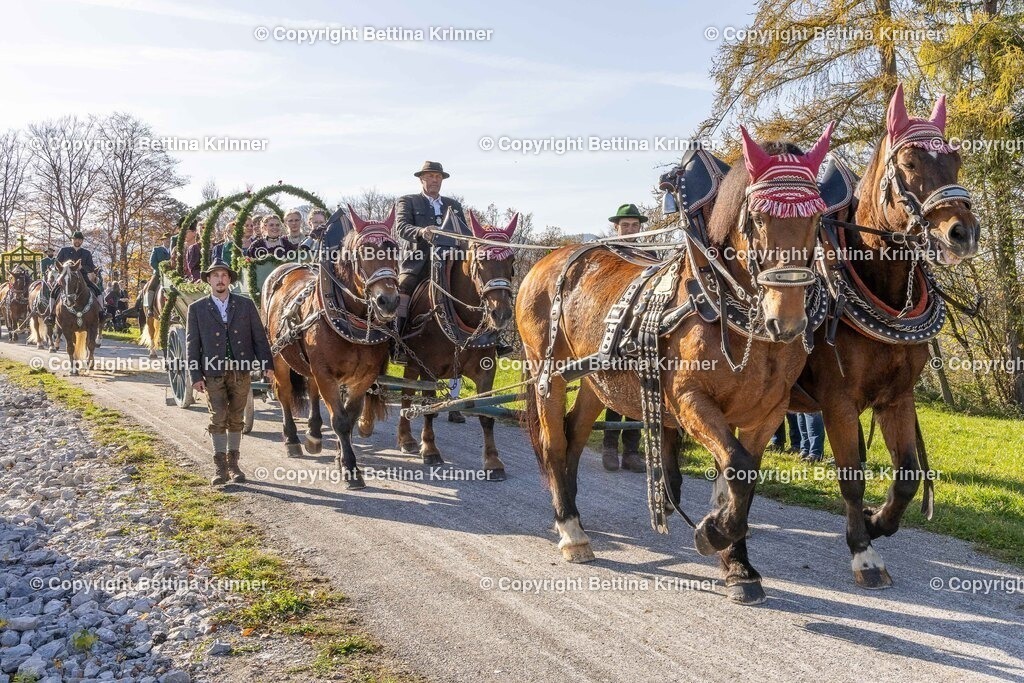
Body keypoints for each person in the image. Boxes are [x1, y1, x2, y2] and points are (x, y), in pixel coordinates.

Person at [185, 259, 274, 485]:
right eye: (215, 275)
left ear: (230, 279)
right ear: (208, 280)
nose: (220, 279)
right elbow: (192, 344)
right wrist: (195, 376)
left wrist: (267, 365)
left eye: (224, 275)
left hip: (240, 371)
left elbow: (259, 338)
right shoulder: (196, 309)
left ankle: (234, 465)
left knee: (236, 417)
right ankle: (220, 467)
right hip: (212, 372)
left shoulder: (245, 305)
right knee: (217, 417)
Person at [600, 203, 649, 473]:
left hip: (641, 329)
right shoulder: (608, 254)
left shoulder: (649, 254)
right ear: (616, 227)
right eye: (625, 225)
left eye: (634, 225)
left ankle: (631, 451)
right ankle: (609, 447)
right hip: (611, 328)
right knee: (615, 388)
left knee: (638, 391)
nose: (630, 229)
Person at [46, 230, 102, 325]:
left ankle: (102, 313)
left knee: (98, 291)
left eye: (79, 240)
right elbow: (57, 265)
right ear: (72, 240)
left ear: (82, 241)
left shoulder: (86, 253)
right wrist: (65, 266)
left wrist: (82, 267)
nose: (77, 241)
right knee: (53, 292)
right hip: (66, 278)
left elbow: (91, 267)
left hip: (83, 278)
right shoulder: (64, 250)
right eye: (75, 239)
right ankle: (52, 315)